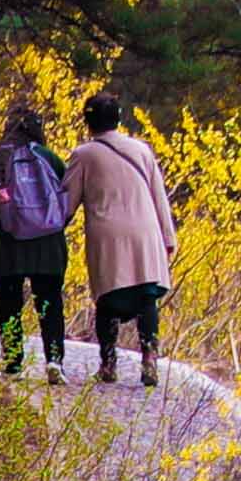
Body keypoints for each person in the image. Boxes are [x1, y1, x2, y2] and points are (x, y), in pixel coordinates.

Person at [65, 94, 178, 389]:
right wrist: (168, 236)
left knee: (107, 298)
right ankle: (149, 356)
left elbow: (67, 202)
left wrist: (50, 228)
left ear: (88, 121)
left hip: (108, 235)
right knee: (146, 296)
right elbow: (159, 196)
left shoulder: (84, 155)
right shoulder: (141, 149)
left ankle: (108, 363)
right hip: (145, 230)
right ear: (118, 118)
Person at [0, 106, 75, 380]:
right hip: (48, 243)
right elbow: (68, 198)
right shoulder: (48, 157)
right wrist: (55, 224)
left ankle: (13, 363)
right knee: (50, 301)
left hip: (8, 241)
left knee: (9, 302)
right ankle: (54, 360)